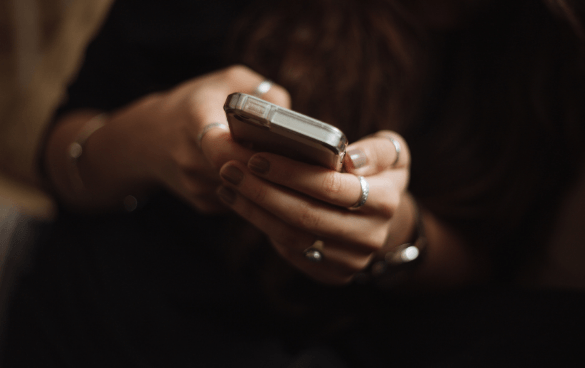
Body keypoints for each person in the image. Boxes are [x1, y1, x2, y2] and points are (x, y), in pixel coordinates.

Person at [2, 0, 585, 366]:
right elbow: (61, 161)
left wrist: (399, 233)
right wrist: (155, 136)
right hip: (95, 309)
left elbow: (496, 272)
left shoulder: (553, 50)